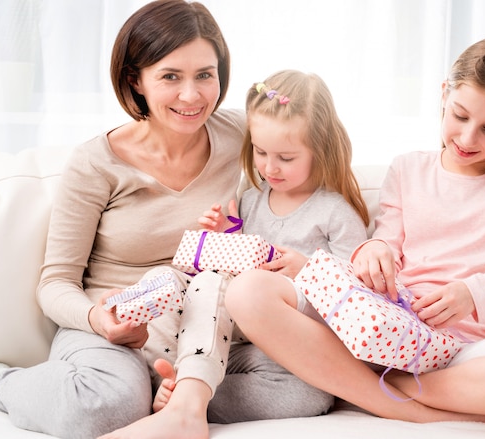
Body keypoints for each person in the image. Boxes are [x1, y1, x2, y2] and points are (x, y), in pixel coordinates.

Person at [223, 35, 485, 434]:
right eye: (460, 115)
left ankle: (390, 390)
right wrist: (374, 249)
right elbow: (387, 239)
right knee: (248, 291)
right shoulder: (407, 169)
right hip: (384, 324)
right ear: (444, 95)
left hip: (463, 353)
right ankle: (412, 407)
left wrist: (474, 292)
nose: (468, 138)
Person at [0, 1, 246, 439]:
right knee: (103, 409)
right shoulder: (95, 163)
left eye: (205, 74)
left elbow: (314, 154)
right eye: (170, 77)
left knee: (298, 394)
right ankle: (0, 382)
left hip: (208, 328)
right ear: (135, 80)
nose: (192, 95)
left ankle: (170, 397)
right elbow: (55, 283)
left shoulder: (241, 135)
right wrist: (101, 321)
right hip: (115, 329)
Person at [153, 69, 371, 422]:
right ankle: (183, 389)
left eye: (286, 158)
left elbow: (357, 300)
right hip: (234, 340)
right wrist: (226, 236)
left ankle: (186, 400)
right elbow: (233, 277)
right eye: (260, 152)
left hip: (293, 348)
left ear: (321, 149)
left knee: (309, 394)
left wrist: (308, 270)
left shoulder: (335, 213)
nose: (270, 167)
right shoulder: (251, 200)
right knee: (189, 292)